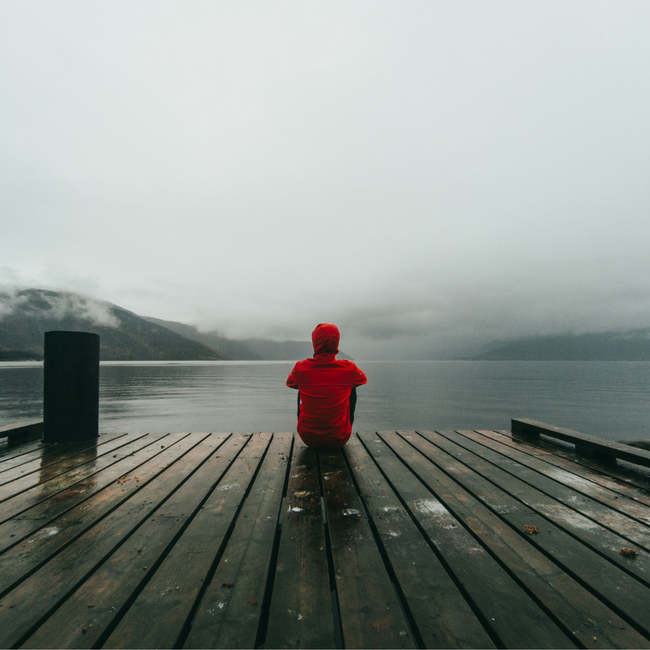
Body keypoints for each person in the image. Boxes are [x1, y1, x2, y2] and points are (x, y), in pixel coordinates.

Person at [286, 323, 367, 448]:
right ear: (337, 342)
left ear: (314, 342)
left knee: (301, 386)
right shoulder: (349, 368)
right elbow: (362, 379)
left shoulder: (300, 367)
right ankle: (346, 427)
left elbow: (290, 383)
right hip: (339, 439)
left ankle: (306, 426)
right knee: (352, 386)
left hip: (308, 438)